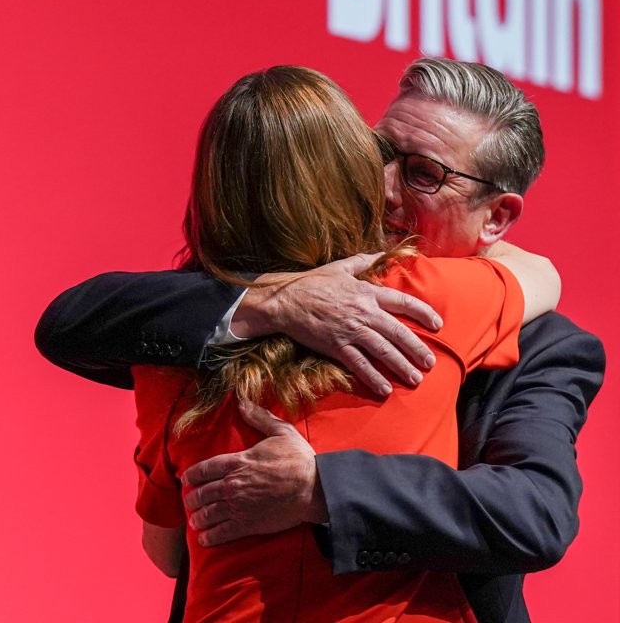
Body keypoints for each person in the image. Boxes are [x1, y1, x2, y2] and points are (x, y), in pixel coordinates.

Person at [35, 58, 605, 623]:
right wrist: (270, 301)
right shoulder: (212, 313)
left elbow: (534, 515)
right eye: (377, 153)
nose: (381, 189)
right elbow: (72, 322)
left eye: (423, 174)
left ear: (497, 218)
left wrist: (320, 488)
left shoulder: (539, 343)